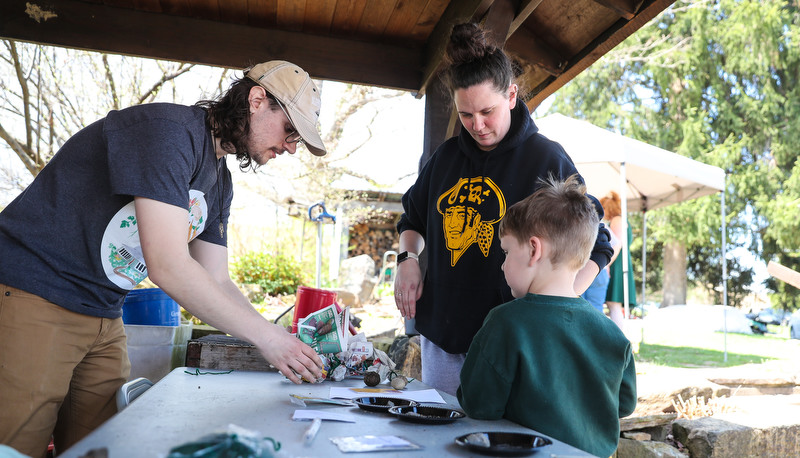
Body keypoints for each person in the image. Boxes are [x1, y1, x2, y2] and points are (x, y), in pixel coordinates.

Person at [0, 60, 326, 457]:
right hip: (35, 292)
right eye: (291, 130)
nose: (291, 146)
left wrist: (279, 341)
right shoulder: (168, 132)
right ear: (258, 100)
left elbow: (217, 281)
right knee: (16, 445)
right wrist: (266, 338)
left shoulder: (219, 183)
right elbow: (168, 265)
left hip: (104, 312)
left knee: (100, 448)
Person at [393, 22, 613, 395]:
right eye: (466, 115)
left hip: (515, 344)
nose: (477, 125)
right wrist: (407, 259)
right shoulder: (444, 158)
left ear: (511, 95)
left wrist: (563, 301)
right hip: (442, 338)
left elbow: (597, 241)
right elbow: (412, 219)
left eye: (487, 111)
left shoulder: (547, 158)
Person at [457, 175, 637, 458]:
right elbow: (624, 404)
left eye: (505, 252)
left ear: (533, 249)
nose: (502, 265)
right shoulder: (613, 334)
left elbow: (479, 405)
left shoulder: (505, 323)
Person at [602, 190, 637, 329]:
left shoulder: (617, 220)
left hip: (616, 264)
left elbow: (617, 245)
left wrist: (606, 264)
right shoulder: (622, 220)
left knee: (614, 304)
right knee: (614, 305)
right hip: (620, 263)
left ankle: (618, 339)